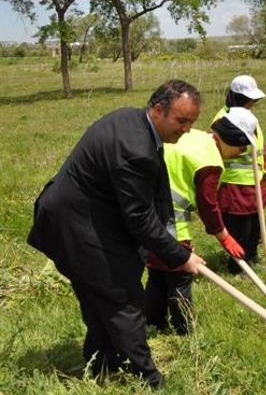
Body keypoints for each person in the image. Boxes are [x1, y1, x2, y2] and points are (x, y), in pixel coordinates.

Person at [27, 80, 206, 389]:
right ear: (158, 110)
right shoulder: (135, 149)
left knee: (100, 295)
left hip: (86, 218)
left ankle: (100, 363)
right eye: (181, 121)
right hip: (75, 226)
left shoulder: (133, 119)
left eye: (192, 122)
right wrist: (181, 256)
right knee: (123, 299)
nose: (187, 129)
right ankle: (148, 380)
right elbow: (140, 218)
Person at [146, 108, 258, 335]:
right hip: (171, 220)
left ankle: (153, 322)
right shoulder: (210, 160)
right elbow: (208, 204)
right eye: (241, 146)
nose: (242, 152)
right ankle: (184, 331)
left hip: (146, 215)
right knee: (180, 273)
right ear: (229, 139)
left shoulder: (195, 136)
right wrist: (222, 234)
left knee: (158, 271)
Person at [211, 75, 266, 273]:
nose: (253, 103)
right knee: (240, 229)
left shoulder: (247, 115)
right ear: (237, 96)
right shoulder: (224, 120)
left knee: (256, 227)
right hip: (235, 183)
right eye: (250, 99)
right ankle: (237, 266)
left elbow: (259, 141)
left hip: (256, 180)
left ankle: (252, 257)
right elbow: (218, 151)